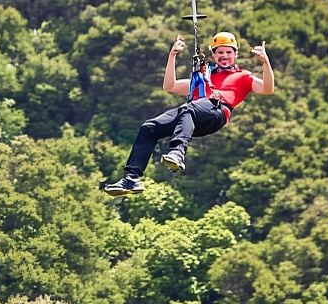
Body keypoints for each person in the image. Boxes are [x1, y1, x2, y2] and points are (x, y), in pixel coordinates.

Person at [102, 31, 275, 196]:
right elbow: (170, 86)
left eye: (228, 52)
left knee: (188, 108)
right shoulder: (203, 77)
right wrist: (172, 56)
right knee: (149, 127)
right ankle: (131, 178)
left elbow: (268, 89)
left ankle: (177, 152)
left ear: (235, 54)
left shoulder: (244, 76)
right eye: (220, 52)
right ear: (213, 55)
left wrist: (266, 63)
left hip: (217, 112)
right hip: (191, 117)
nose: (224, 56)